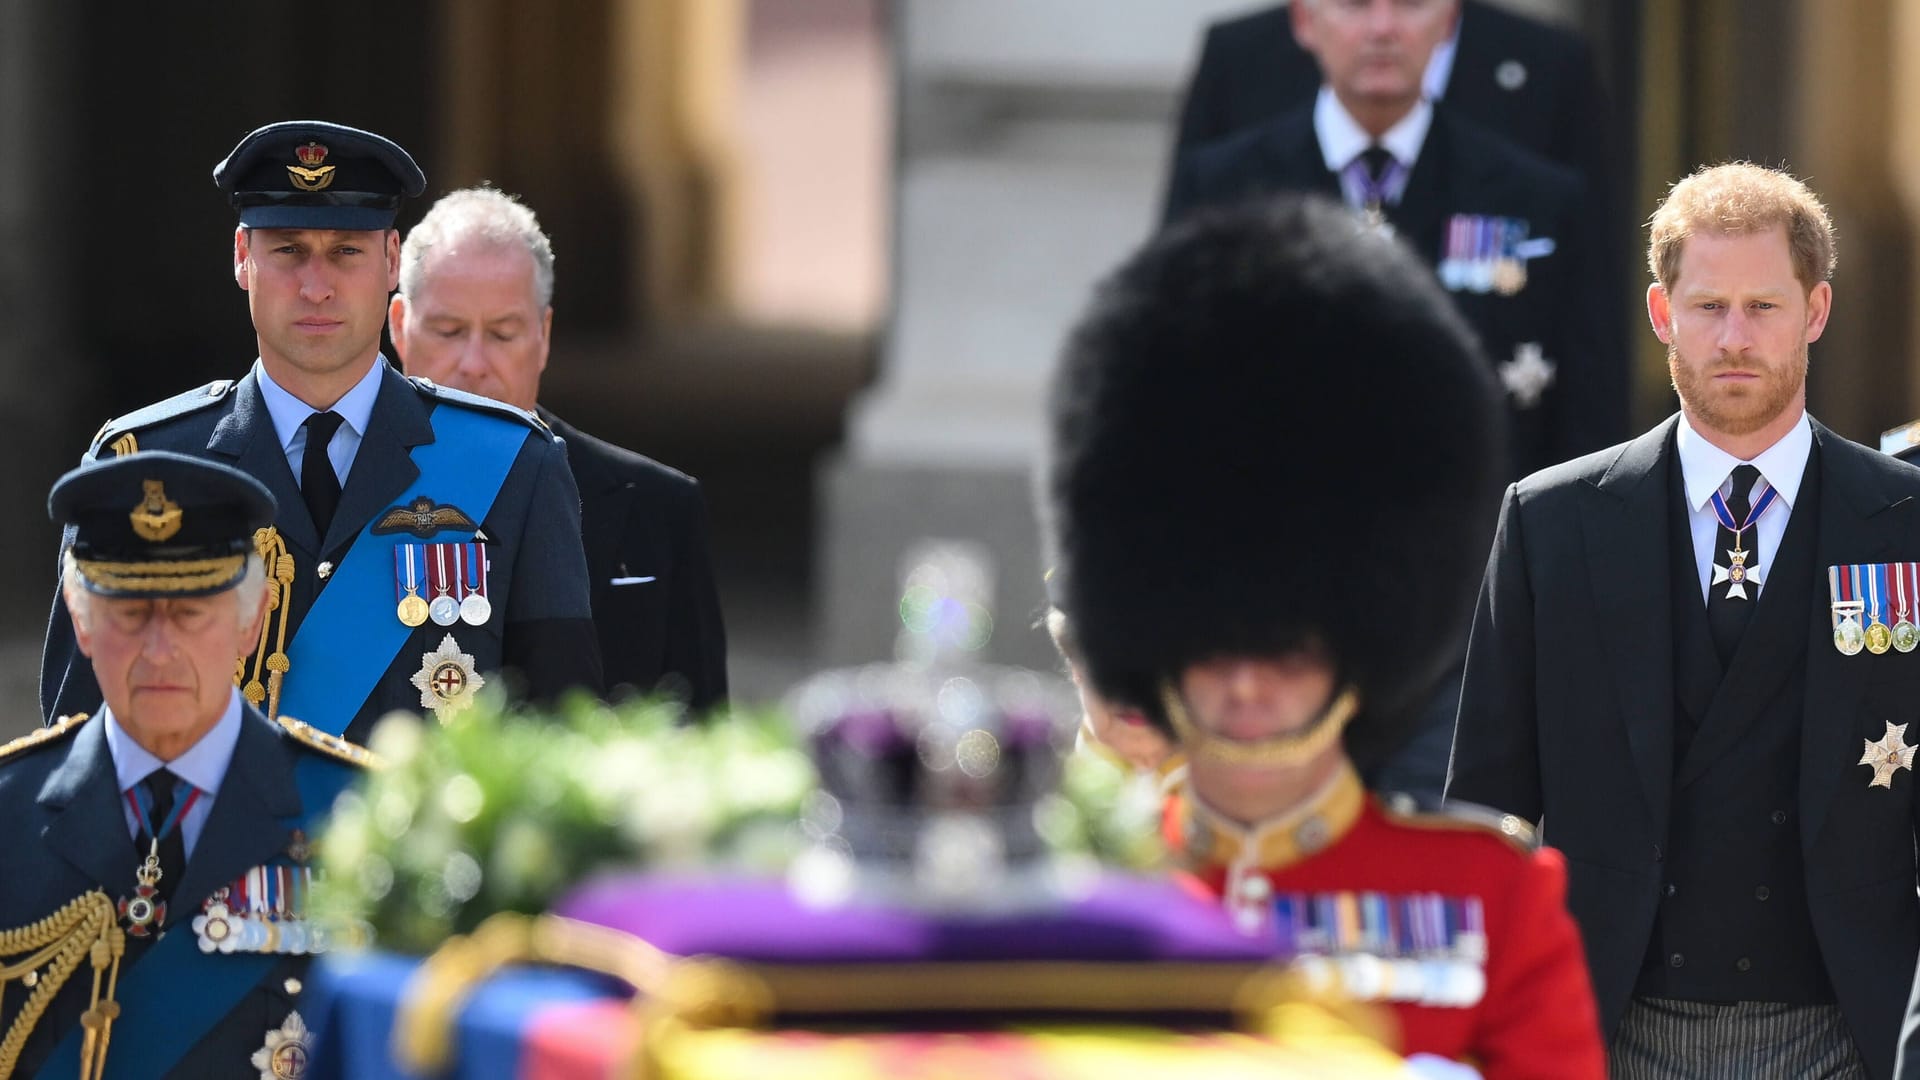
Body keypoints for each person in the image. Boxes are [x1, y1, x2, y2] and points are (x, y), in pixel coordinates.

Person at [1044, 194, 1605, 1076]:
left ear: (1359, 647)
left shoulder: (1494, 901)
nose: (1247, 687)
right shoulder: (1080, 891)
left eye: (1286, 653)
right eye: (1213, 648)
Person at [1450, 163, 1920, 1077]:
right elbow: (1487, 810)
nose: (1735, 338)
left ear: (1817, 311)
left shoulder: (1908, 522)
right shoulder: (1552, 522)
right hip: (1606, 1031)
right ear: (1662, 314)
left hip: (1848, 1033)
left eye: (1764, 306)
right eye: (1708, 308)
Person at [40, 121, 602, 742]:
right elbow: (80, 749)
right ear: (241, 259)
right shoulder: (144, 465)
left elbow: (559, 738)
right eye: (287, 250)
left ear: (391, 260)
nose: (316, 286)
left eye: (345, 252)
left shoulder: (513, 465)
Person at [0, 451, 377, 1077]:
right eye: (130, 614)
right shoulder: (9, 812)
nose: (159, 650)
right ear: (82, 621)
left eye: (190, 613)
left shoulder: (358, 815)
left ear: (251, 621)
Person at [388, 187, 728, 709]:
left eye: (503, 334)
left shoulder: (657, 509)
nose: (474, 363)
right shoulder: (334, 481)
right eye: (449, 330)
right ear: (399, 329)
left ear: (543, 336)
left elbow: (701, 752)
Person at [1170, 0, 1615, 201]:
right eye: (1355, 3)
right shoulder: (1238, 58)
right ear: (1304, 20)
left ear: (1449, 21)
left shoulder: (1549, 65)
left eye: (1410, 2)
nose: (1382, 28)